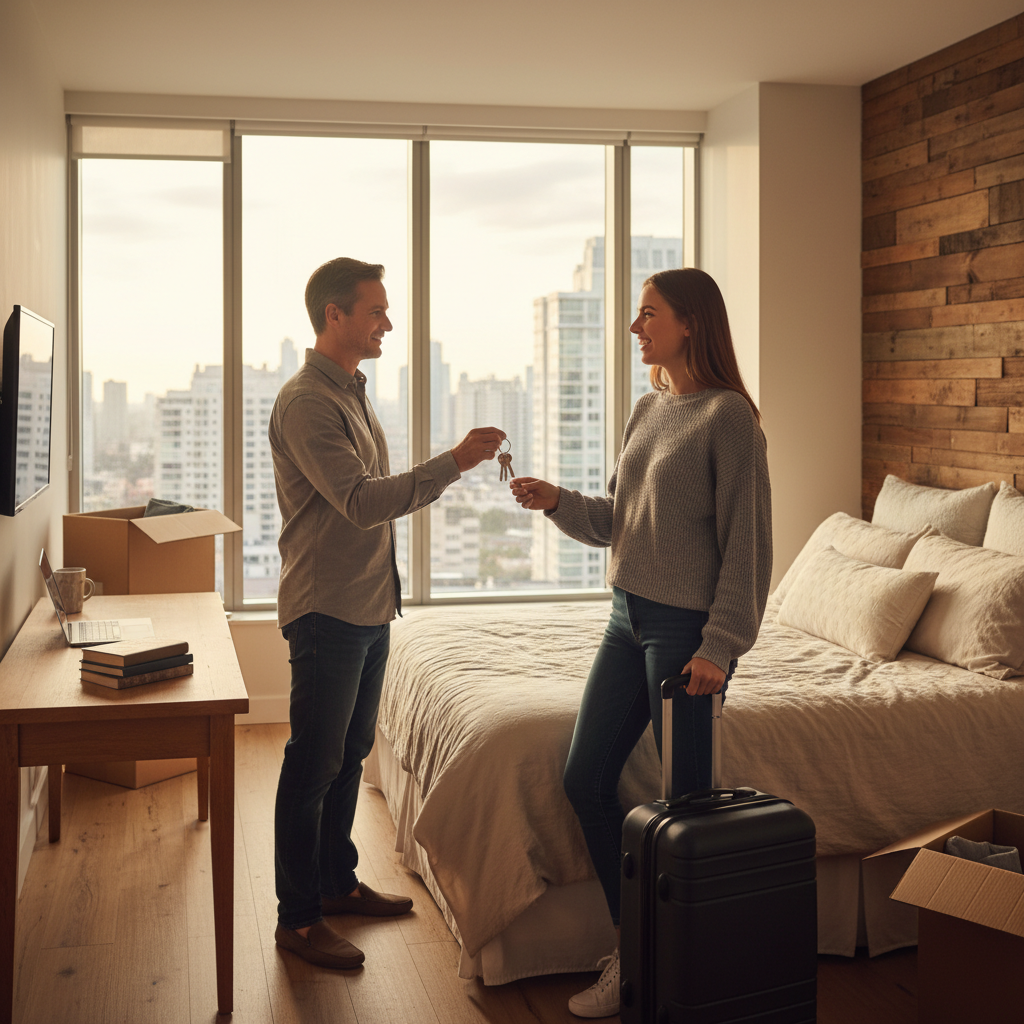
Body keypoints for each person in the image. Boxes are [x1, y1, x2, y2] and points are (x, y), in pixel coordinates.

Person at [511, 267, 771, 1018]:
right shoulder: (648, 408)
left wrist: (720, 646)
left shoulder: (729, 419)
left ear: (690, 323)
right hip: (625, 618)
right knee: (584, 781)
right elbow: (618, 521)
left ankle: (683, 968)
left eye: (648, 314)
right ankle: (637, 948)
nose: (635, 328)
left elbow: (749, 549)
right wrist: (557, 501)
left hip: (685, 634)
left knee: (686, 806)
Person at [270, 257, 506, 970]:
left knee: (348, 755)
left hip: (367, 604)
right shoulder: (307, 402)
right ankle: (297, 919)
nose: (388, 324)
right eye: (376, 311)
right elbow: (362, 501)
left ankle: (335, 882)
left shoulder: (352, 391)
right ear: (334, 315)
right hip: (327, 608)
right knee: (313, 763)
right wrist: (453, 462)